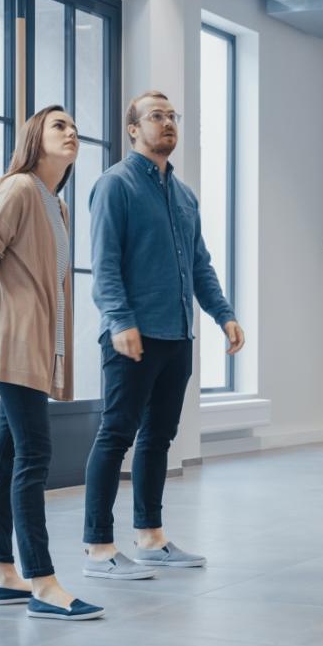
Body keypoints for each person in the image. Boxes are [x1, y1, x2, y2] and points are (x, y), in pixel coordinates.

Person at [82, 90, 244, 579]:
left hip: (177, 335)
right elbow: (104, 264)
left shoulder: (184, 194)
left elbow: (199, 265)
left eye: (173, 116)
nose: (168, 123)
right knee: (115, 436)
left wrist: (224, 314)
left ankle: (150, 538)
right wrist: (120, 321)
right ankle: (97, 549)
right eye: (156, 116)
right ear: (134, 129)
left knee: (159, 437)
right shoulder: (115, 185)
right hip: (132, 336)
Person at [0, 105, 104, 620]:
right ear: (34, 138)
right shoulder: (19, 189)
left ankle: (2, 573)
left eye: (74, 126)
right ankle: (43, 581)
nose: (71, 132)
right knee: (35, 455)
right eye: (59, 125)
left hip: (37, 346)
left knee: (5, 457)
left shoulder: (55, 205)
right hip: (13, 344)